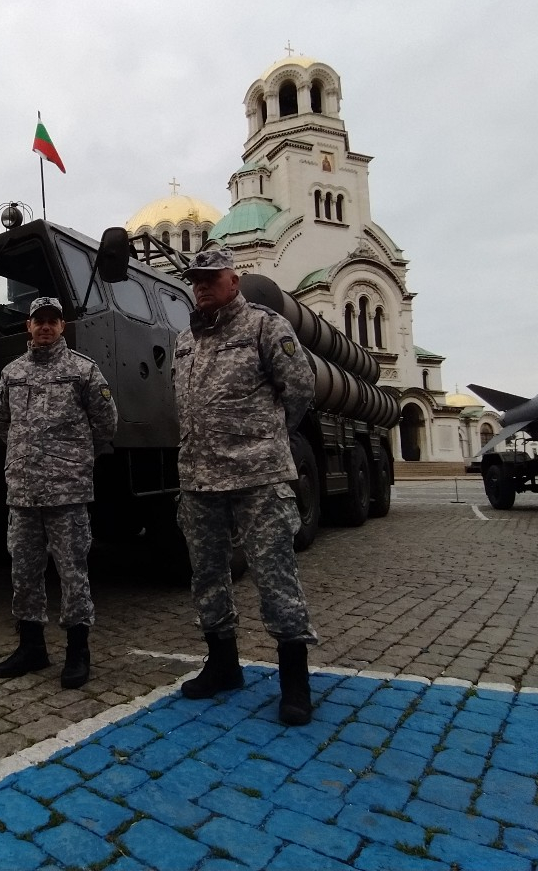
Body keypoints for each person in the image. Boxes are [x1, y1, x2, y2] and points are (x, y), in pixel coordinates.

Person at [172, 248, 320, 725]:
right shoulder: (184, 340)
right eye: (196, 279)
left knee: (276, 577)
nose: (202, 286)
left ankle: (294, 683)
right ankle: (222, 665)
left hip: (257, 476)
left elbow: (298, 391)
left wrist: (264, 438)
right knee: (208, 577)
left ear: (234, 280)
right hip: (199, 479)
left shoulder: (264, 325)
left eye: (212, 278)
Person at [0, 295, 118, 688]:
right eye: (38, 320)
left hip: (67, 493)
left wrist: (73, 460)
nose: (45, 326)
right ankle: (32, 647)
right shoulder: (11, 373)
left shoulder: (83, 371)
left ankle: (78, 652)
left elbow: (107, 425)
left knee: (72, 573)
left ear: (62, 326)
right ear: (28, 326)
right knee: (24, 573)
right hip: (24, 493)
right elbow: (2, 424)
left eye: (52, 320)